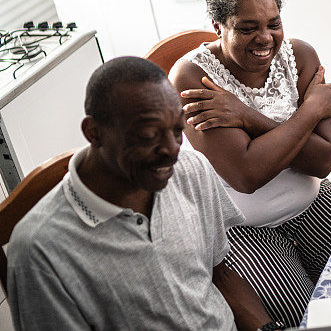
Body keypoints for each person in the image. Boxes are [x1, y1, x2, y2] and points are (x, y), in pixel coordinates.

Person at [7, 57, 276, 331]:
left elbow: (220, 275)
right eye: (149, 136)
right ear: (93, 133)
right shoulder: (40, 250)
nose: (172, 150)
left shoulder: (191, 170)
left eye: (178, 130)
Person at [171, 0, 331, 327]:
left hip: (314, 199)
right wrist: (309, 113)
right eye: (247, 28)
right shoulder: (193, 77)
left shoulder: (301, 57)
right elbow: (247, 174)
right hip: (242, 228)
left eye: (274, 24)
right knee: (303, 315)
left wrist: (246, 116)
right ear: (218, 27)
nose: (266, 38)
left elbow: (323, 161)